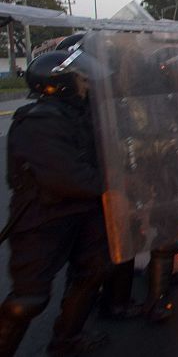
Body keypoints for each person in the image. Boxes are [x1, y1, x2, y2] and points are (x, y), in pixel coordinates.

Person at [0, 50, 110, 356]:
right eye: (80, 77)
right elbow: (70, 179)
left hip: (83, 212)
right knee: (29, 300)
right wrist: (117, 182)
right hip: (43, 218)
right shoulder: (39, 122)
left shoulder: (76, 113)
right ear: (60, 83)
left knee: (92, 272)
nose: (87, 82)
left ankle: (67, 339)